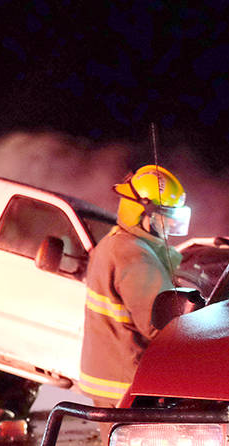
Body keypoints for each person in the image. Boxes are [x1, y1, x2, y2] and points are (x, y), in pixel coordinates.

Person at [78, 165, 190, 406]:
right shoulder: (134, 256)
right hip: (128, 385)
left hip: (111, 379)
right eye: (165, 218)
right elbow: (160, 324)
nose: (170, 226)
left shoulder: (117, 243)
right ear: (140, 212)